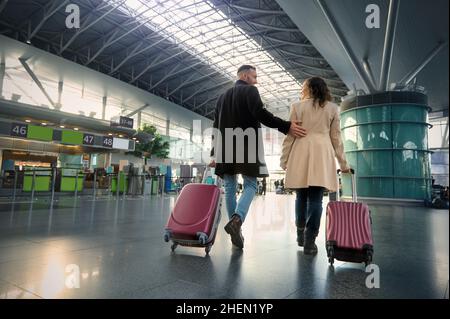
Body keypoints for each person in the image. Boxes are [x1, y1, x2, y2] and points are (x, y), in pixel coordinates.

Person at [210, 65, 307, 249]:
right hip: (247, 144)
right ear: (245, 76)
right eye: (254, 77)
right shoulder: (250, 91)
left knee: (230, 187)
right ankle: (237, 220)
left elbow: (215, 126)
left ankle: (235, 229)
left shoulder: (222, 97)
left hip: (225, 146)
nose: (256, 80)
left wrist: (215, 153)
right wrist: (286, 126)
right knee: (250, 184)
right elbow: (260, 114)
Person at [280, 77, 351, 255]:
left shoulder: (297, 107)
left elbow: (290, 136)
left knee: (301, 197)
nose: (301, 90)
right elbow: (336, 139)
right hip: (322, 153)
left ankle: (300, 234)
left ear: (310, 88)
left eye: (303, 87)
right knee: (316, 199)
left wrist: (284, 159)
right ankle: (310, 242)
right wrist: (343, 163)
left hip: (300, 152)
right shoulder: (333, 108)